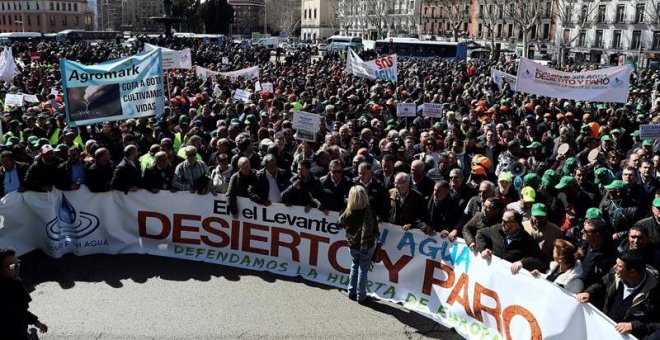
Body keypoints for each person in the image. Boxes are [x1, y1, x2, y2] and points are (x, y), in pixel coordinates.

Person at [577, 250, 660, 338]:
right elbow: (602, 284)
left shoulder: (655, 293)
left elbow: (657, 325)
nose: (615, 267)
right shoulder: (615, 274)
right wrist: (589, 292)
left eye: (619, 266)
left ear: (632, 272)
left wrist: (634, 326)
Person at [338, 186, 379, 305]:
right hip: (367, 245)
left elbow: (340, 223)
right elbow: (375, 229)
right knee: (363, 270)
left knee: (354, 266)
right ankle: (361, 296)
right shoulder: (369, 211)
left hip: (352, 245)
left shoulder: (349, 211)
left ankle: (351, 291)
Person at [477, 209, 548, 274]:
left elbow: (541, 260)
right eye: (502, 220)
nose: (502, 224)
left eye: (505, 222)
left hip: (510, 279)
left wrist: (522, 263)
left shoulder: (527, 240)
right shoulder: (496, 229)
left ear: (516, 223)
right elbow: (481, 233)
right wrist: (482, 249)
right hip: (492, 274)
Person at [0, 247, 48, 339]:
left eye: (17, 262)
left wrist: (36, 322)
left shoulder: (12, 281)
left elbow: (19, 310)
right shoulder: (6, 292)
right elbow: (17, 314)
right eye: (12, 266)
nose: (17, 267)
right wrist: (36, 322)